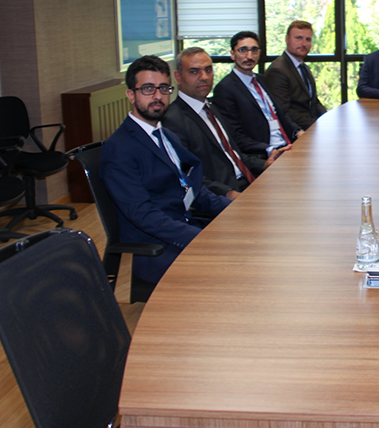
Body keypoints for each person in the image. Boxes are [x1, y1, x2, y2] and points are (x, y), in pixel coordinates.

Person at [99, 55, 232, 285]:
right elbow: (143, 215)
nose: (158, 96)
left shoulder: (166, 135)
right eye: (148, 89)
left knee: (250, 244)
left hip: (185, 226)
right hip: (158, 249)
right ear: (131, 94)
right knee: (236, 269)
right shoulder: (119, 148)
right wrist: (199, 239)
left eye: (163, 88)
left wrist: (236, 209)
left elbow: (192, 188)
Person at [165, 47, 285, 200]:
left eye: (208, 70)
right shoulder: (172, 120)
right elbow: (188, 177)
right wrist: (230, 194)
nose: (204, 77)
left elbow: (233, 155)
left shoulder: (211, 108)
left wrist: (264, 164)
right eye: (194, 72)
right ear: (178, 77)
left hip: (250, 182)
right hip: (223, 197)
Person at [212, 31, 302, 163]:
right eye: (243, 50)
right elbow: (234, 136)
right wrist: (269, 149)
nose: (249, 56)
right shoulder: (225, 88)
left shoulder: (261, 80)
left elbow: (278, 114)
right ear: (232, 54)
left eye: (254, 50)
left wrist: (298, 131)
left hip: (286, 144)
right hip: (264, 154)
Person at [265, 20, 328, 130]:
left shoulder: (304, 67)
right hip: (295, 131)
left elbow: (314, 102)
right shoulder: (277, 70)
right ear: (287, 39)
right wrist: (317, 126)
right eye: (298, 38)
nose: (303, 43)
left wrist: (329, 119)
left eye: (308, 39)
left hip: (310, 126)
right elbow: (283, 112)